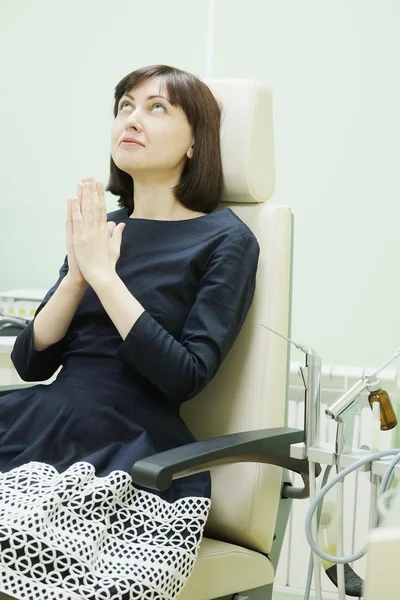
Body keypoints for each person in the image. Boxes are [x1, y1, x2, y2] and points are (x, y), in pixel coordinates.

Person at [0, 65, 260, 600]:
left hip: (126, 445)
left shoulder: (226, 240)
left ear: (195, 142)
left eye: (157, 107)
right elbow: (31, 363)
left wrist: (103, 275)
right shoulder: (105, 226)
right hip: (42, 419)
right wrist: (76, 277)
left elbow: (183, 377)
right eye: (124, 106)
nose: (132, 118)